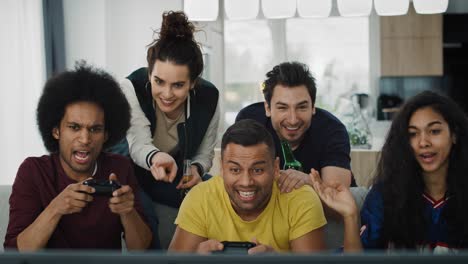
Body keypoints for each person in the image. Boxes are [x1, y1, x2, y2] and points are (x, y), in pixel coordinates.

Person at [3, 63, 152, 251]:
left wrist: (128, 212)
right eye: (74, 127)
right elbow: (14, 253)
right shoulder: (33, 171)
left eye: (95, 129)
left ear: (106, 135)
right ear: (56, 131)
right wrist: (56, 208)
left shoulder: (119, 168)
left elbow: (141, 249)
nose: (85, 139)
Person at [311, 91, 468, 252]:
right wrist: (350, 216)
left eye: (434, 131)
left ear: (454, 134)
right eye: (413, 134)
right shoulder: (384, 196)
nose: (423, 142)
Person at [115, 11, 219, 249]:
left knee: (217, 195)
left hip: (171, 174)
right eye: (158, 82)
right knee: (145, 217)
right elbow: (138, 143)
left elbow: (206, 152)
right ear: (149, 73)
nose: (167, 94)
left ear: (193, 83)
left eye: (179, 85)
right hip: (129, 171)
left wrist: (196, 169)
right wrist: (156, 157)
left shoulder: (209, 97)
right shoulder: (130, 87)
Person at [169, 119, 326, 253]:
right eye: (235, 170)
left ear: (276, 167)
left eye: (257, 170)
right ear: (222, 168)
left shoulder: (300, 198)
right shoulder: (200, 198)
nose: (246, 182)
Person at [236, 62, 352, 194]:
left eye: (302, 107)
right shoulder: (250, 122)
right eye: (282, 108)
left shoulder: (332, 129)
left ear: (313, 107)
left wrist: (308, 181)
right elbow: (239, 177)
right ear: (268, 108)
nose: (293, 120)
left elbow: (338, 194)